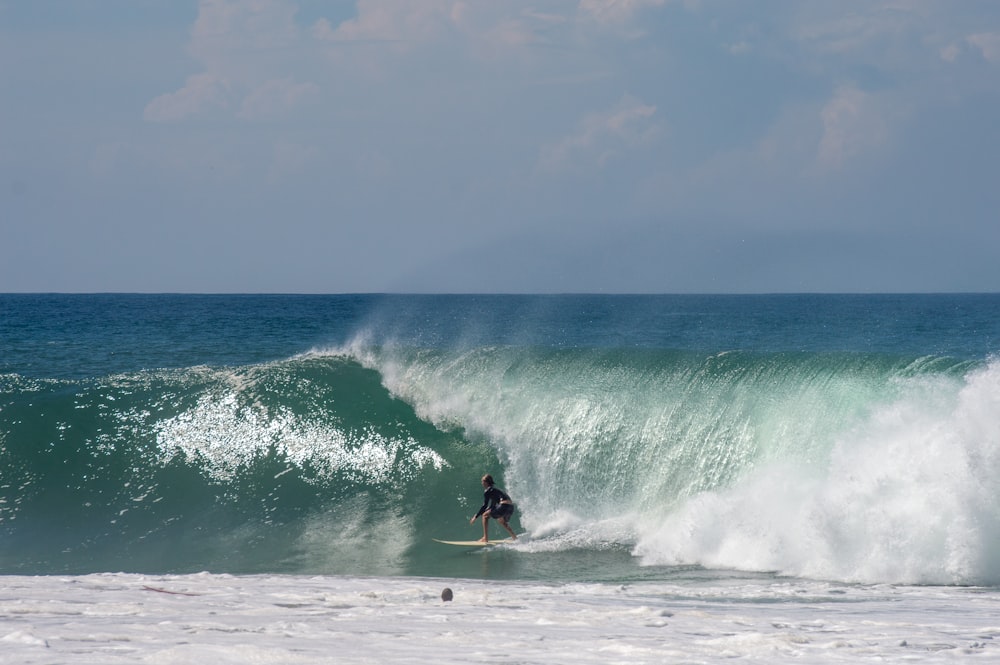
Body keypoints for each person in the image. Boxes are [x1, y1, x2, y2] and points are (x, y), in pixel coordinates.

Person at [470, 474, 517, 543]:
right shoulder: (495, 489)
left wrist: (475, 517)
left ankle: (485, 538)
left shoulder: (488, 491)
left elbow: (484, 506)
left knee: (484, 516)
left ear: (486, 482)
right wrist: (486, 511)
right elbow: (492, 505)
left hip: (503, 505)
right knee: (501, 521)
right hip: (510, 507)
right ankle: (514, 538)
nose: (481, 483)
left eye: (482, 481)